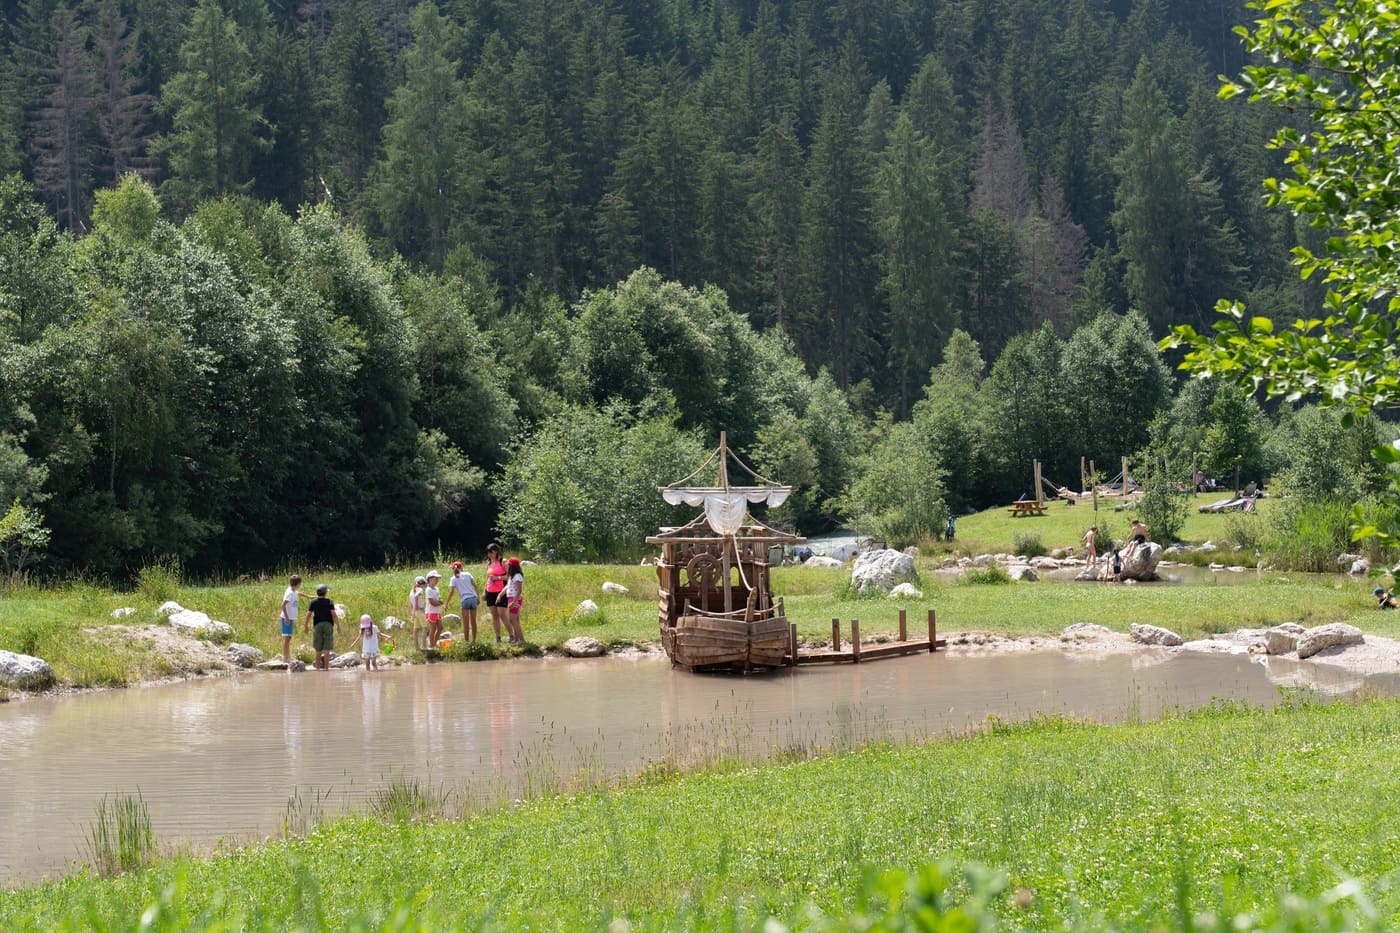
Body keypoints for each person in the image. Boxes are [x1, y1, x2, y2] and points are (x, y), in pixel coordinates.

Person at [304, 583, 340, 670]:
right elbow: (333, 614)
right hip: (328, 625)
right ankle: (327, 668)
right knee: (327, 648)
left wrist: (306, 625)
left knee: (318, 648)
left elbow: (308, 614)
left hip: (317, 625)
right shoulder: (330, 601)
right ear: (325, 593)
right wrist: (338, 625)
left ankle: (318, 669)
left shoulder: (313, 602)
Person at [484, 543, 508, 643]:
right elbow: (487, 578)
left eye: (491, 552)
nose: (490, 555)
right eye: (488, 553)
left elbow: (509, 577)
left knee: (502, 614)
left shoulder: (503, 562)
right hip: (490, 591)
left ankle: (511, 635)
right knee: (494, 615)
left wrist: (497, 578)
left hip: (501, 591)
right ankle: (498, 637)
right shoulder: (488, 563)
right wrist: (484, 591)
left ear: (497, 551)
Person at [448, 560, 478, 641]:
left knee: (466, 624)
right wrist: (477, 597)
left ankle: (466, 642)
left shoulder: (453, 578)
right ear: (462, 568)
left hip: (465, 600)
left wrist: (447, 603)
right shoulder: (468, 574)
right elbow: (475, 585)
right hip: (473, 598)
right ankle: (474, 641)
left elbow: (451, 592)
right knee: (473, 622)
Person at [279, 574, 302, 666]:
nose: (300, 585)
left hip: (290, 618)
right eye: (300, 583)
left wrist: (309, 597)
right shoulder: (289, 593)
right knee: (287, 638)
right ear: (297, 584)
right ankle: (285, 658)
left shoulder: (293, 590)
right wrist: (287, 618)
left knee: (289, 637)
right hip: (286, 618)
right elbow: (283, 605)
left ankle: (288, 656)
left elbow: (299, 593)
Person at [504, 556, 525, 644]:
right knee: (514, 620)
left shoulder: (517, 576)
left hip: (515, 599)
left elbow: (519, 590)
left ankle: (522, 640)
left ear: (512, 566)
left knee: (512, 620)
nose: (507, 565)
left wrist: (514, 602)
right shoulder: (512, 576)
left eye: (508, 564)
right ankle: (517, 639)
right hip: (512, 598)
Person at [424, 570, 444, 647]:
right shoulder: (428, 589)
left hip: (437, 611)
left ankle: (434, 643)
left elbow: (439, 598)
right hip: (431, 612)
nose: (437, 580)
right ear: (430, 579)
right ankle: (431, 645)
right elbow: (432, 602)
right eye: (436, 578)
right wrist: (440, 603)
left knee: (440, 627)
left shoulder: (436, 589)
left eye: (437, 579)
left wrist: (440, 600)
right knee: (433, 628)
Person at [408, 575, 427, 650]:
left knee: (415, 630)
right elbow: (416, 596)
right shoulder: (419, 589)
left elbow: (410, 604)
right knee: (425, 628)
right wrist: (418, 607)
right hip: (420, 610)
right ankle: (424, 646)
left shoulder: (411, 591)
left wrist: (412, 614)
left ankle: (417, 648)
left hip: (415, 612)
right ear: (421, 583)